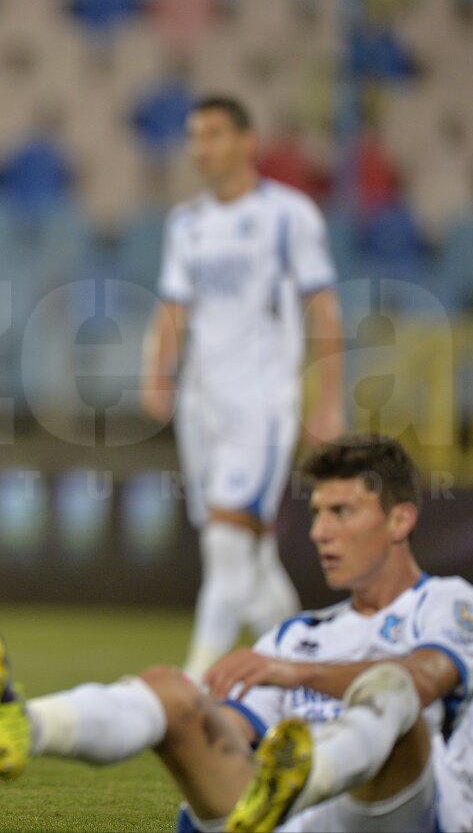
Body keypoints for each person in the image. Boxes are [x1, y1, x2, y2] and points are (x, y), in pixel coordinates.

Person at [0, 434, 473, 832]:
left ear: (400, 520)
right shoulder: (298, 635)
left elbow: (424, 679)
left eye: (342, 512)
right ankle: (23, 725)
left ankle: (305, 777)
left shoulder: (454, 605)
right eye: (316, 513)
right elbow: (235, 727)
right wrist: (192, 719)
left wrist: (298, 674)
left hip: (406, 816)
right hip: (287, 821)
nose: (320, 533)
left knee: (391, 688)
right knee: (176, 692)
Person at [139, 94, 346, 680]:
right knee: (250, 556)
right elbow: (174, 306)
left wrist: (328, 397)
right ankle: (313, 666)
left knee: (227, 553)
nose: (201, 148)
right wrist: (158, 369)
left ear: (247, 141)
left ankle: (199, 682)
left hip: (262, 405)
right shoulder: (188, 223)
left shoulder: (290, 216)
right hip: (202, 408)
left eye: (213, 134)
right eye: (195, 136)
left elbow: (324, 308)